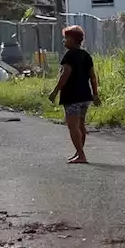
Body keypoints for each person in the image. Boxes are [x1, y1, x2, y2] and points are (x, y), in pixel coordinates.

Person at [48, 25, 100, 164]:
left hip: (72, 97)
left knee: (73, 127)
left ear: (72, 39)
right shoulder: (86, 56)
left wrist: (55, 91)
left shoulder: (69, 56)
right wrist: (95, 94)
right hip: (85, 96)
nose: (64, 41)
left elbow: (65, 75)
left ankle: (81, 155)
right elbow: (93, 77)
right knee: (81, 126)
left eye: (66, 38)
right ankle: (79, 152)